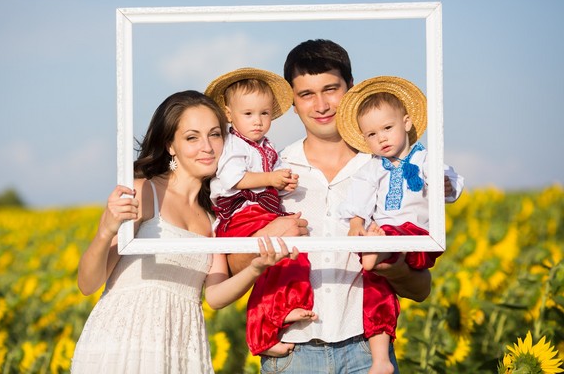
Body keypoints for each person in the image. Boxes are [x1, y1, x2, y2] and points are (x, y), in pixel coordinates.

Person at [227, 39, 435, 373]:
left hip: (368, 353)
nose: (321, 104)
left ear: (351, 89)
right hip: (292, 353)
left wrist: (389, 263)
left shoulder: (391, 170)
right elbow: (234, 267)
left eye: (331, 89)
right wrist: (267, 234)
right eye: (307, 94)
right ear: (293, 103)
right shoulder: (269, 173)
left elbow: (422, 288)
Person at [71, 90, 299, 374]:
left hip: (182, 348)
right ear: (170, 145)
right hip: (124, 341)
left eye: (215, 135)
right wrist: (105, 231)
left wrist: (256, 267)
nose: (207, 147)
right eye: (192, 137)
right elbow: (88, 284)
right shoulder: (144, 191)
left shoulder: (216, 217)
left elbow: (215, 297)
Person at [335, 76, 464, 373]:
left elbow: (452, 182)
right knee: (376, 293)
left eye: (387, 128)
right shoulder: (372, 169)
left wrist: (445, 185)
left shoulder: (425, 159)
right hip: (384, 240)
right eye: (371, 134)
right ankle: (380, 359)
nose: (381, 138)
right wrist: (356, 223)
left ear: (406, 123)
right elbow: (359, 200)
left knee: (385, 238)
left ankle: (376, 249)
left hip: (416, 239)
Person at [205, 68, 317, 357]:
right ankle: (262, 330)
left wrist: (283, 184)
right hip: (239, 217)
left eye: (264, 114)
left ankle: (282, 309)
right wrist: (270, 179)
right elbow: (234, 180)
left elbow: (269, 182)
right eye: (249, 114)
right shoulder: (232, 145)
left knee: (289, 257)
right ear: (229, 114)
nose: (258, 121)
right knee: (277, 253)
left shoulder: (267, 147)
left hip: (260, 214)